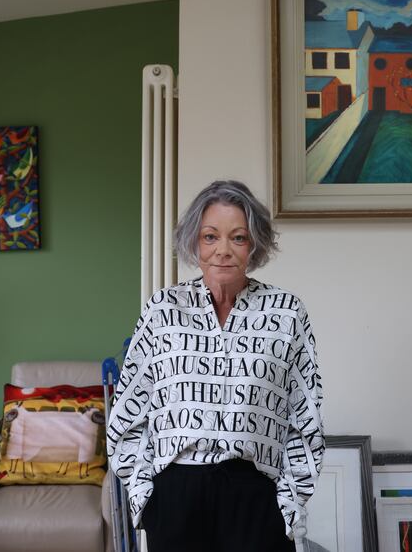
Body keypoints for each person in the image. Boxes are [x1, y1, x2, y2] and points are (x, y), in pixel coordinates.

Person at [107, 180, 324, 552]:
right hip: (175, 498)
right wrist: (147, 499)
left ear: (254, 244)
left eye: (238, 238)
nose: (223, 250)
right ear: (195, 242)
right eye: (211, 237)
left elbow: (306, 418)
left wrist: (286, 505)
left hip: (255, 497)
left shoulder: (287, 312)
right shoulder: (162, 310)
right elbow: (128, 415)